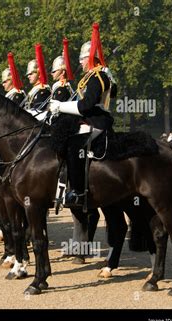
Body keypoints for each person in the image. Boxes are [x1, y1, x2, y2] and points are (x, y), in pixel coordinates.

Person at [49, 23, 116, 207]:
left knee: (73, 146)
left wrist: (61, 106)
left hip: (97, 122)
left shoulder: (99, 76)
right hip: (88, 120)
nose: (79, 62)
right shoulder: (91, 76)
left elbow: (86, 105)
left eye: (82, 58)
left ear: (90, 58)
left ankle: (78, 191)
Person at [24, 44, 51, 111]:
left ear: (39, 74)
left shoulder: (43, 90)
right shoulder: (35, 90)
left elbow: (38, 111)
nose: (28, 76)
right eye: (28, 74)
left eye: (31, 74)